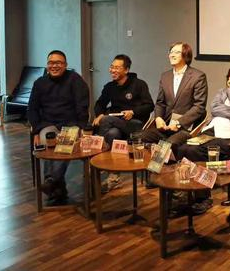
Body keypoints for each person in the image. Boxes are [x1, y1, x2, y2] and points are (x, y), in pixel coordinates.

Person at [176, 63, 230, 214]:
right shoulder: (221, 92)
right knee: (183, 148)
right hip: (210, 131)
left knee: (195, 151)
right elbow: (214, 108)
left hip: (229, 137)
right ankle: (185, 193)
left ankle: (203, 198)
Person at [28, 50, 90, 204]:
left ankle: (52, 182)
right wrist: (36, 130)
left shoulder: (75, 80)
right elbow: (32, 109)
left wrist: (81, 127)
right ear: (47, 65)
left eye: (58, 63)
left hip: (70, 123)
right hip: (47, 124)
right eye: (51, 63)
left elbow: (82, 105)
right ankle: (57, 187)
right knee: (46, 140)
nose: (54, 66)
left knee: (64, 143)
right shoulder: (40, 83)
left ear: (65, 65)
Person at [92, 54, 154, 190]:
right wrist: (99, 114)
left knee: (106, 120)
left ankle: (100, 157)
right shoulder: (110, 86)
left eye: (117, 68)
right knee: (112, 133)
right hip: (116, 123)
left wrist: (133, 112)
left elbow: (150, 106)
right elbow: (100, 103)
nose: (112, 70)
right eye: (111, 67)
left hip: (135, 123)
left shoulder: (139, 84)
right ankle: (114, 177)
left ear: (126, 70)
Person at [140, 42, 208, 154]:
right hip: (165, 126)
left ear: (186, 55)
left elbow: (199, 106)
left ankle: (156, 165)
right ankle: (145, 165)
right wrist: (158, 118)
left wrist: (178, 123)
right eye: (170, 52)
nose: (172, 55)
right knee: (139, 137)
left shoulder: (198, 76)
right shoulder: (165, 76)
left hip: (185, 127)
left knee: (167, 146)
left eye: (176, 52)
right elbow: (160, 102)